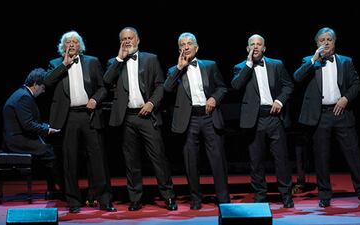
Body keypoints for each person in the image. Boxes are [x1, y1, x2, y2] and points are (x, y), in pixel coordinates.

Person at [294, 27, 360, 207]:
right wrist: (314, 59)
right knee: (321, 156)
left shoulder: (346, 61)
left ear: (335, 42)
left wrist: (345, 98)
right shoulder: (309, 61)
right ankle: (324, 195)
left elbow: (356, 84)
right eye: (322, 40)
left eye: (329, 39)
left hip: (342, 113)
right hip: (320, 116)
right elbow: (297, 78)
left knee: (353, 155)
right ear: (317, 43)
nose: (326, 43)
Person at [103, 27, 177, 211]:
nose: (127, 41)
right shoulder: (114, 62)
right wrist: (119, 59)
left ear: (138, 40)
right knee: (131, 160)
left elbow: (160, 85)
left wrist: (152, 103)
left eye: (130, 38)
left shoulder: (150, 59)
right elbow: (106, 81)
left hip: (148, 115)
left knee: (158, 158)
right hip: (127, 117)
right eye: (124, 39)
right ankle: (135, 198)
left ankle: (168, 196)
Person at [44, 31, 115, 213]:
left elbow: (103, 88)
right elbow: (47, 82)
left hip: (89, 114)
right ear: (63, 46)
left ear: (80, 45)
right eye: (68, 42)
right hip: (68, 118)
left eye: (75, 41)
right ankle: (74, 201)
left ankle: (104, 200)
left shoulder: (91, 61)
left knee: (97, 159)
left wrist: (95, 100)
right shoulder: (54, 63)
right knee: (70, 161)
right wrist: (64, 65)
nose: (72, 44)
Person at [164, 32, 230, 210]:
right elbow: (167, 90)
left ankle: (223, 199)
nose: (186, 47)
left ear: (196, 47)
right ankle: (195, 200)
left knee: (217, 160)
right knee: (190, 161)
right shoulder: (174, 71)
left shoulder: (210, 65)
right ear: (179, 49)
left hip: (210, 116)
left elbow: (223, 88)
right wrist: (179, 68)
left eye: (189, 43)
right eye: (182, 45)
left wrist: (214, 99)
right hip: (189, 119)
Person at [231, 34, 294, 208]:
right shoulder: (240, 67)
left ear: (264, 48)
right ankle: (260, 195)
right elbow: (236, 86)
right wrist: (249, 64)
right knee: (256, 160)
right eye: (252, 44)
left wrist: (280, 100)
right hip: (254, 119)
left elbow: (288, 85)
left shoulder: (276, 64)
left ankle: (286, 195)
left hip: (274, 117)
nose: (256, 47)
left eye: (259, 44)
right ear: (248, 48)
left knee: (281, 159)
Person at [2, 68, 62, 200]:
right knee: (49, 152)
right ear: (35, 84)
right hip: (16, 141)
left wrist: (47, 127)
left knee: (49, 148)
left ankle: (53, 189)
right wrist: (47, 130)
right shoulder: (24, 97)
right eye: (43, 87)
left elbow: (30, 122)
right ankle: (60, 189)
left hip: (17, 138)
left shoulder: (22, 93)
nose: (44, 90)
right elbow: (28, 124)